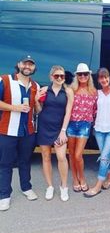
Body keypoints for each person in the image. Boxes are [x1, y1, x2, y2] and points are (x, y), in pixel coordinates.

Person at [0, 55, 39, 211]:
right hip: (7, 130)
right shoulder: (5, 80)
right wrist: (15, 108)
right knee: (5, 164)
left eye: (31, 65)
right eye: (25, 64)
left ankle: (26, 188)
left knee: (25, 161)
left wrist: (36, 102)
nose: (27, 67)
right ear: (19, 65)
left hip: (27, 131)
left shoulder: (34, 85)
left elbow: (37, 110)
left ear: (34, 68)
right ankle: (4, 195)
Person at [36, 65, 74, 201]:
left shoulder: (68, 91)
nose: (59, 78)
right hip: (44, 127)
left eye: (62, 76)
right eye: (56, 76)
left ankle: (64, 187)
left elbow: (68, 113)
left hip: (59, 129)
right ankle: (50, 186)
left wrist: (63, 131)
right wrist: (36, 100)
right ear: (51, 77)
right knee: (46, 157)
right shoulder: (44, 90)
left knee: (61, 157)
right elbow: (38, 110)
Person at [84, 68, 110, 198]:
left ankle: (98, 186)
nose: (104, 80)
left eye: (106, 77)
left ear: (109, 78)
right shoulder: (96, 93)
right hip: (99, 129)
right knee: (106, 156)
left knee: (104, 157)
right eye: (101, 78)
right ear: (98, 80)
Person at [67, 63, 97, 193]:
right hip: (71, 124)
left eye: (85, 74)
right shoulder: (71, 90)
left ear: (89, 75)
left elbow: (96, 110)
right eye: (80, 74)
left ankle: (82, 178)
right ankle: (75, 179)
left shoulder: (94, 92)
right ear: (76, 76)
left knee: (78, 154)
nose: (83, 76)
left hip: (85, 125)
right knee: (72, 154)